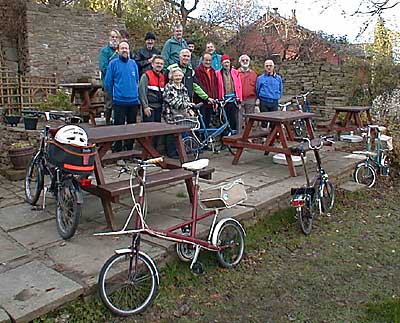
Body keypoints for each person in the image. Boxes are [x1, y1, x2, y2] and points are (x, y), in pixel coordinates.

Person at [104, 41, 139, 152]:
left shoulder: (133, 63)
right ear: (118, 50)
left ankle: (129, 150)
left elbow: (136, 80)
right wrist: (115, 94)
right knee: (118, 128)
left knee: (131, 128)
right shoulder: (113, 64)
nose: (125, 50)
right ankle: (118, 151)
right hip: (119, 101)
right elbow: (108, 83)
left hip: (133, 101)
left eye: (126, 48)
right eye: (122, 48)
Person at [163, 67, 194, 157]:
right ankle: (172, 153)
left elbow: (187, 99)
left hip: (182, 115)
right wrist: (187, 105)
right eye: (176, 75)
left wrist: (189, 109)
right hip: (171, 115)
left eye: (180, 75)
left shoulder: (183, 87)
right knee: (172, 134)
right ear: (171, 77)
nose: (178, 77)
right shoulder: (169, 87)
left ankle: (182, 150)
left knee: (184, 131)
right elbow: (173, 102)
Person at [139, 55, 165, 149]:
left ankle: (155, 151)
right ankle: (147, 152)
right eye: (157, 63)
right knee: (148, 132)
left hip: (159, 108)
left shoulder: (162, 77)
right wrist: (145, 106)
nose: (159, 65)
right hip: (149, 108)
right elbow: (142, 92)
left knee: (157, 131)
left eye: (161, 64)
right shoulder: (146, 75)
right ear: (152, 64)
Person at [98, 29, 120, 125]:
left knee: (118, 105)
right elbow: (104, 67)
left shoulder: (121, 50)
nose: (114, 39)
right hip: (109, 82)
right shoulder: (104, 51)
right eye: (112, 37)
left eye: (116, 37)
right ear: (109, 38)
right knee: (109, 105)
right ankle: (107, 124)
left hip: (120, 83)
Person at [215, 54, 243, 131]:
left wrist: (239, 99)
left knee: (234, 120)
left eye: (228, 62)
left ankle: (233, 137)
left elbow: (239, 86)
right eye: (225, 62)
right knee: (224, 120)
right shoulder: (217, 73)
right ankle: (225, 138)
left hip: (234, 99)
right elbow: (216, 87)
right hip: (223, 100)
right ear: (221, 63)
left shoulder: (235, 72)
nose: (226, 64)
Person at [194, 52, 218, 128]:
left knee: (207, 122)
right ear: (202, 60)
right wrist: (205, 98)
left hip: (211, 101)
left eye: (209, 60)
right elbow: (197, 87)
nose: (208, 62)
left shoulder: (213, 71)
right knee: (201, 123)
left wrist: (215, 100)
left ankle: (207, 139)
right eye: (206, 60)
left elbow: (215, 86)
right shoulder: (197, 71)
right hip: (201, 102)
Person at [238, 54, 258, 129]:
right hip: (239, 99)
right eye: (243, 60)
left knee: (250, 120)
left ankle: (249, 137)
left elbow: (257, 86)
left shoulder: (253, 74)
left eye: (247, 60)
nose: (245, 62)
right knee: (239, 120)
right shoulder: (236, 73)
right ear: (240, 62)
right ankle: (239, 136)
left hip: (251, 99)